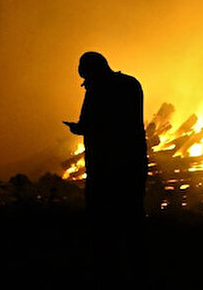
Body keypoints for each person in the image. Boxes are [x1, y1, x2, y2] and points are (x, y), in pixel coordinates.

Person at [64, 51, 148, 283]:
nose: (84, 83)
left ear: (89, 72)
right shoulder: (131, 84)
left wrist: (75, 128)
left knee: (103, 222)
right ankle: (137, 269)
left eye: (85, 78)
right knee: (133, 218)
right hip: (133, 162)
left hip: (104, 167)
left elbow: (87, 125)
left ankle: (108, 273)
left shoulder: (96, 90)